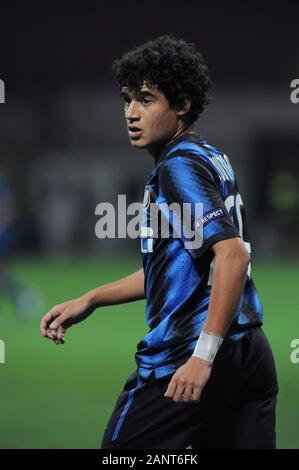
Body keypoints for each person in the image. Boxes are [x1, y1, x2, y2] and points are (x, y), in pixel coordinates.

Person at [40, 35, 278, 449]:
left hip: (190, 353)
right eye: (126, 100)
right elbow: (180, 270)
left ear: (182, 105)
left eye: (146, 100)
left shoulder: (177, 168)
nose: (130, 113)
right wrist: (92, 298)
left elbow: (233, 256)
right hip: (251, 355)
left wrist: (202, 356)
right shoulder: (208, 155)